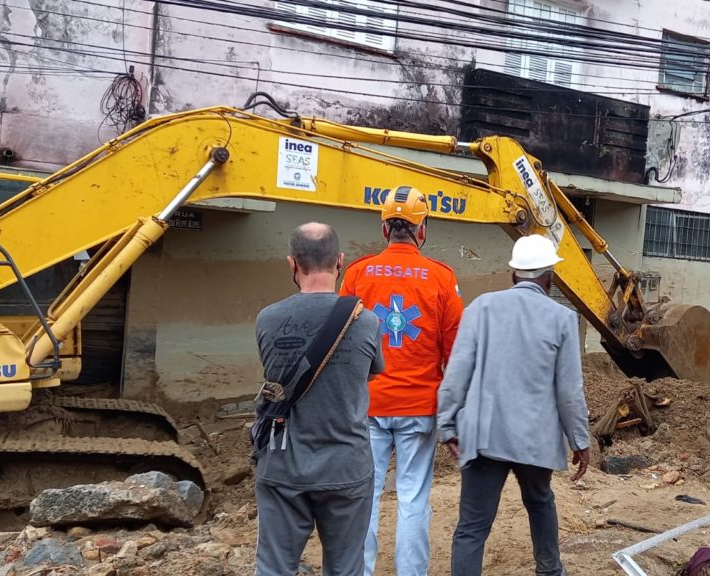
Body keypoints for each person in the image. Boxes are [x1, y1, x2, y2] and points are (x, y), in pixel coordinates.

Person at [437, 234, 591, 576]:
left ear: (513, 274)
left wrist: (446, 424)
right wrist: (580, 441)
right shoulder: (562, 319)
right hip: (535, 439)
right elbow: (569, 391)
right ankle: (549, 570)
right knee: (540, 502)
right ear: (549, 278)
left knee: (472, 527)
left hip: (485, 436)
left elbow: (457, 372)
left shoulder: (481, 308)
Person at [338, 186, 463, 576]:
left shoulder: (357, 274)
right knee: (413, 499)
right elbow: (455, 352)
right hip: (419, 408)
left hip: (368, 406)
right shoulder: (441, 278)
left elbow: (341, 342)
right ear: (421, 229)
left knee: (366, 496)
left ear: (384, 229)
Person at [253, 222, 384, 576]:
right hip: (347, 466)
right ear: (340, 261)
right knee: (345, 568)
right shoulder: (367, 322)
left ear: (292, 263)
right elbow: (370, 374)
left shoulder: (267, 319)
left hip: (283, 463)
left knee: (274, 568)